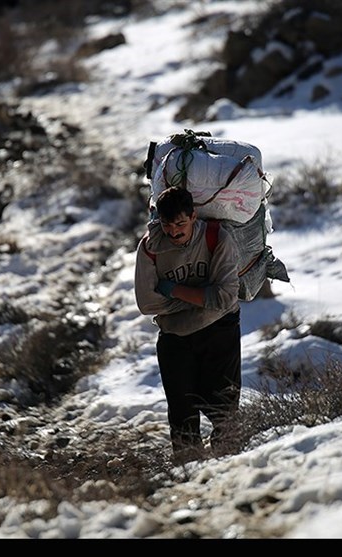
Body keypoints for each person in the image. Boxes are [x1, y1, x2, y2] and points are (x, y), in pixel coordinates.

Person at [134, 186, 242, 463]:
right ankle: (189, 471)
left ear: (194, 216)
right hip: (175, 337)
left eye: (181, 223)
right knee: (181, 413)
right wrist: (201, 297)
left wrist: (173, 290)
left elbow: (226, 296)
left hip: (219, 330)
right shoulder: (150, 248)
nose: (174, 231)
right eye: (168, 225)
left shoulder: (217, 238)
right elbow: (147, 304)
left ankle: (230, 465)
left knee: (225, 407)